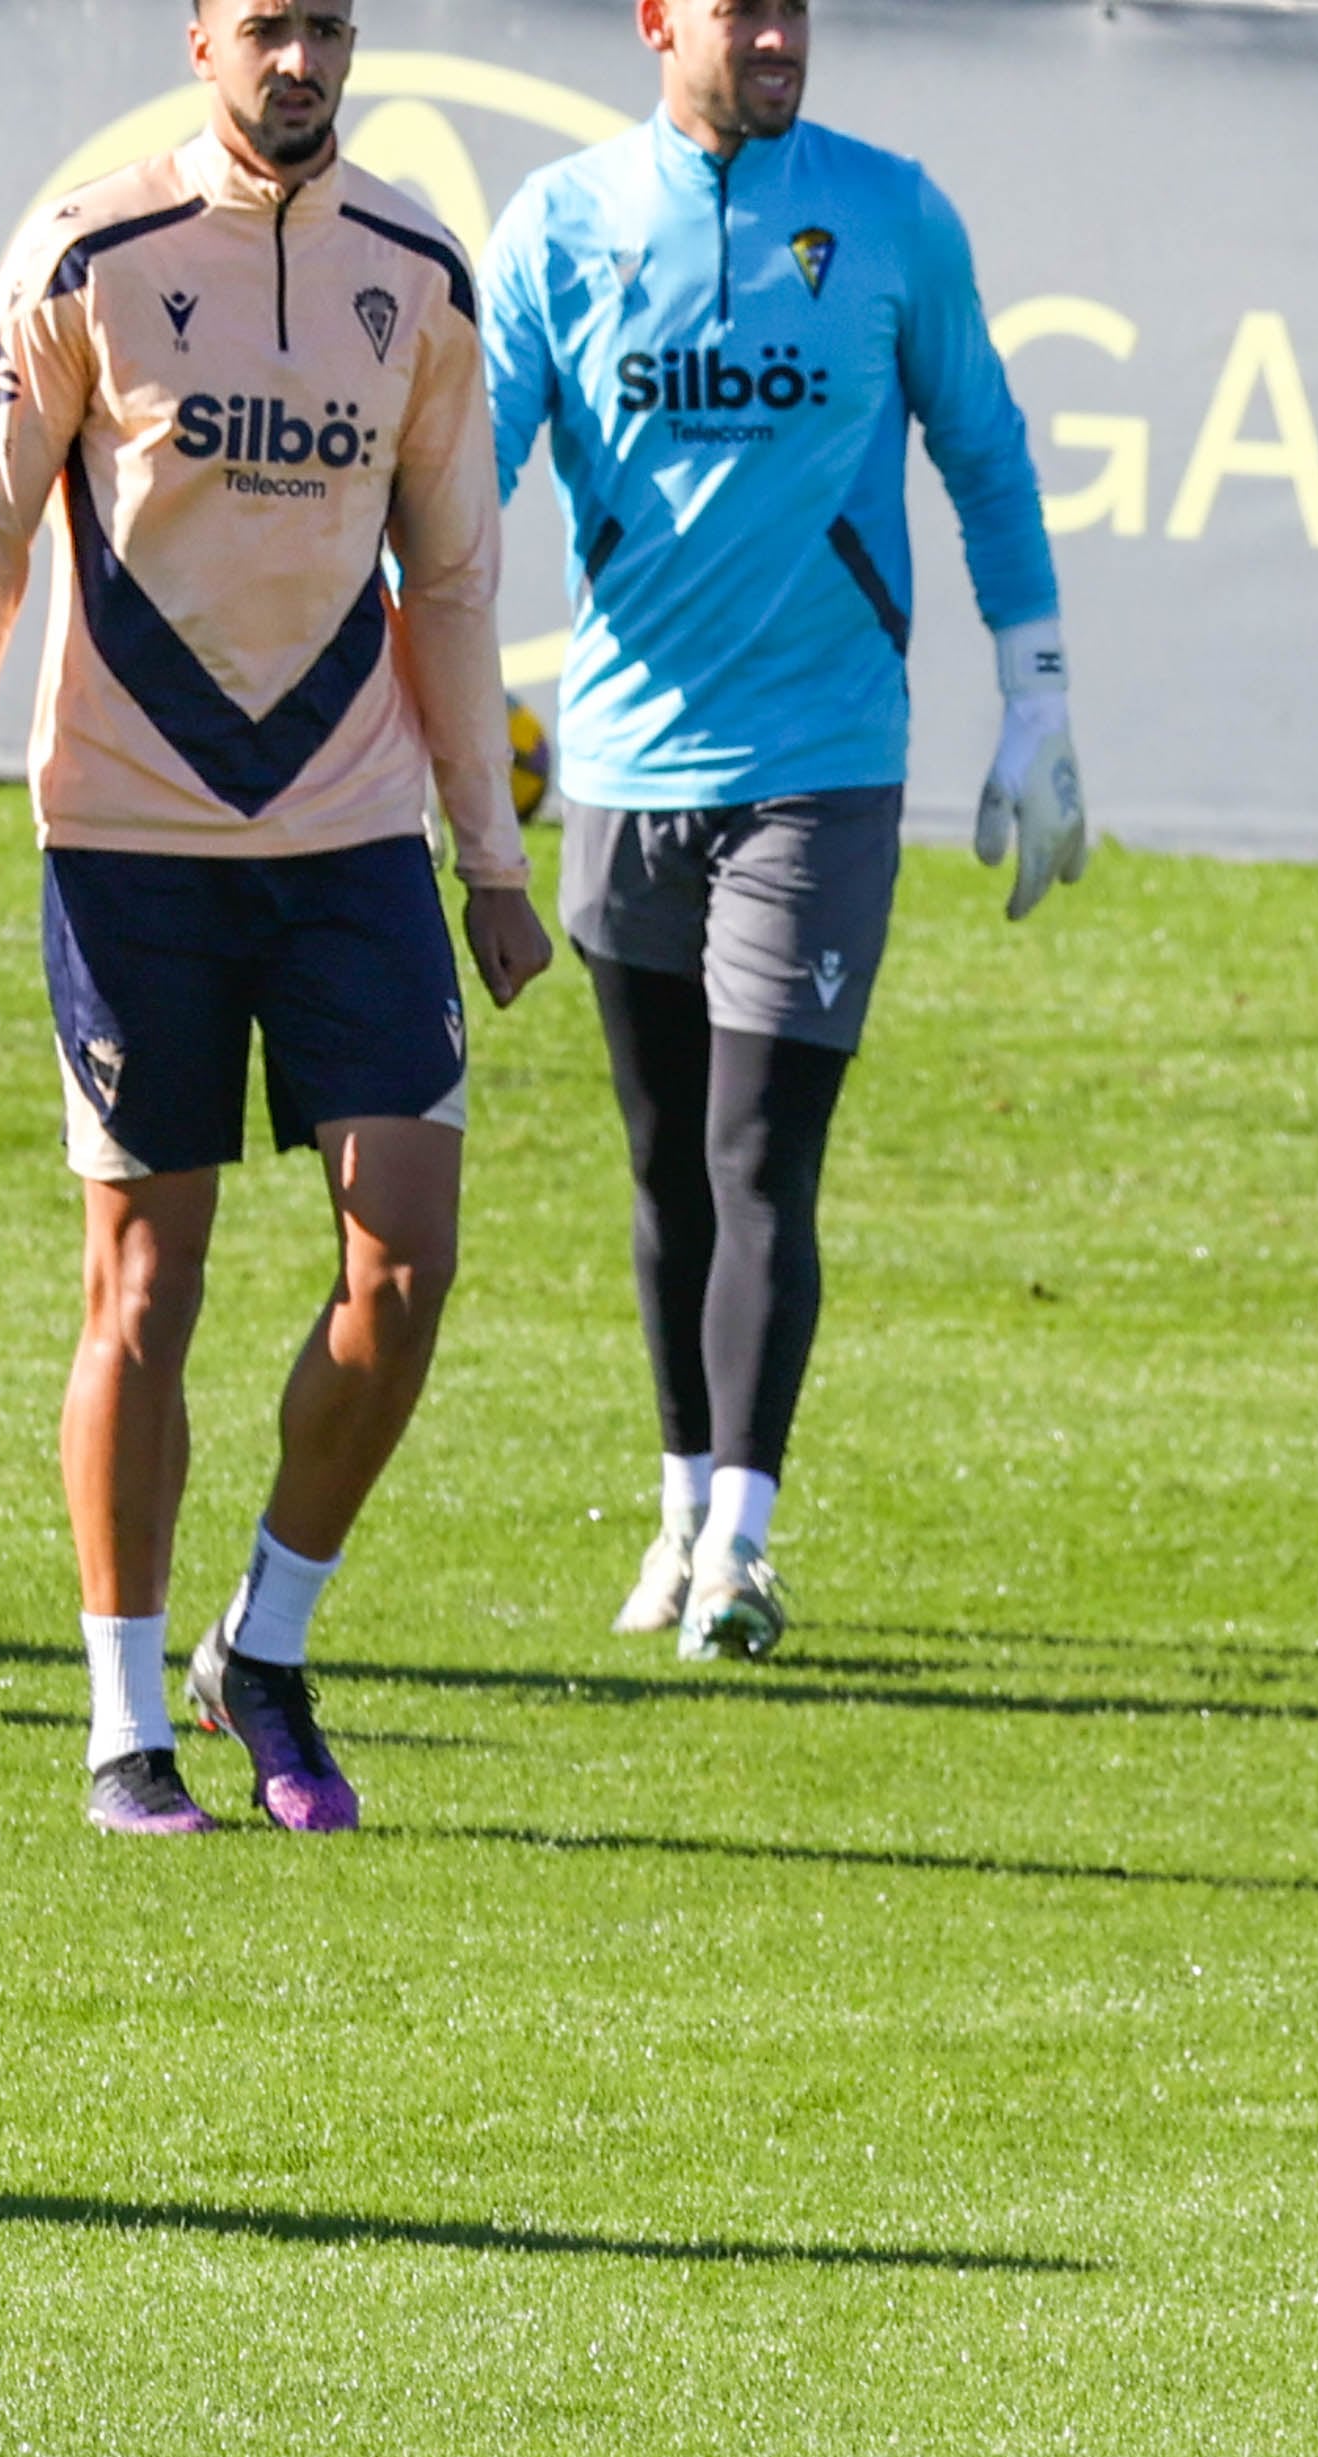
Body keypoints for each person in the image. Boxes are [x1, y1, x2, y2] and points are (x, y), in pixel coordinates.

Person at [0, 1, 549, 1836]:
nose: (301, 60)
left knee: (405, 1264)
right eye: (268, 26)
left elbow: (458, 575)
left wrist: (490, 859)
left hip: (348, 843)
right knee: (145, 1286)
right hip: (128, 841)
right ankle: (123, 1720)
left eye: (330, 25)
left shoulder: (415, 269)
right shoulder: (92, 250)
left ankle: (265, 1642)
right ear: (200, 41)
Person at [482, 0, 1086, 1664]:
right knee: (667, 1166)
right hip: (617, 769)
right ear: (656, 22)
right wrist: (410, 664)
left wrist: (1035, 694)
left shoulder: (892, 210)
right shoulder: (562, 220)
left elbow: (986, 453)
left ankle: (743, 1537)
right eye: (739, 7)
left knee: (761, 1156)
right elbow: (468, 468)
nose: (776, 33)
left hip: (822, 767)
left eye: (795, 8)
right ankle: (680, 1511)